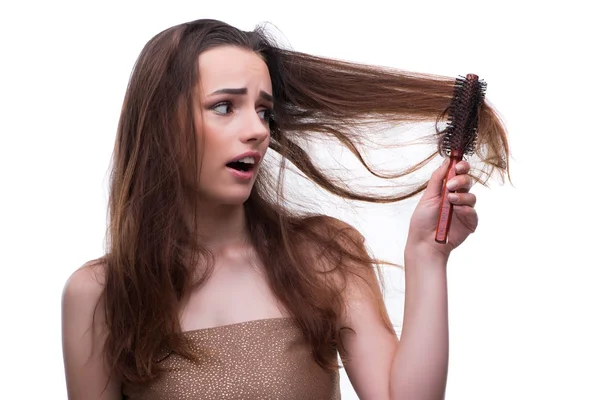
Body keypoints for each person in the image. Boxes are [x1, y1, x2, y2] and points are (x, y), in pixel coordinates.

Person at [61, 18, 509, 400]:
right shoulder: (100, 294)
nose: (256, 129)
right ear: (161, 125)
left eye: (263, 111)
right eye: (224, 107)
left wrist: (427, 256)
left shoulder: (324, 256)